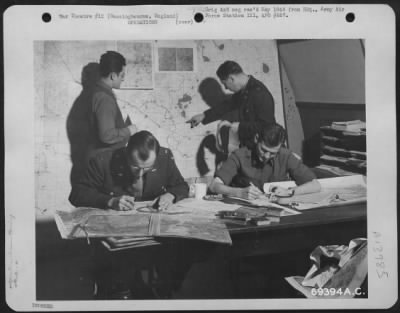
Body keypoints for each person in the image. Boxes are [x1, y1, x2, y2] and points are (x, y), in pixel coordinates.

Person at [69, 131, 189, 299]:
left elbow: (181, 186)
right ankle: (124, 290)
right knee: (119, 271)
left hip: (152, 231)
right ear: (126, 153)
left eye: (147, 168)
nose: (140, 174)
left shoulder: (165, 157)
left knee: (180, 250)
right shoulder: (103, 161)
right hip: (116, 237)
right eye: (135, 167)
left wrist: (171, 195)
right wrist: (110, 201)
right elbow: (77, 194)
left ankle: (160, 290)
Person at [209, 123, 321, 199]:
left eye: (273, 153)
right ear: (256, 139)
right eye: (263, 150)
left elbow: (315, 185)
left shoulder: (285, 155)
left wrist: (290, 191)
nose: (267, 156)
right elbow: (214, 186)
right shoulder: (240, 155)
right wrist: (239, 192)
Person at [187, 60, 276, 148]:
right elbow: (227, 106)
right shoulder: (244, 91)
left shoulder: (260, 94)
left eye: (225, 84)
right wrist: (204, 116)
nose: (225, 88)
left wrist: (239, 127)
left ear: (231, 79)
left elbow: (268, 127)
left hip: (264, 150)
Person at [85, 51, 137, 160]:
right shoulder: (104, 98)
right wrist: (129, 130)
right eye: (122, 75)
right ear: (113, 76)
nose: (123, 79)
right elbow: (106, 135)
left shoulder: (97, 92)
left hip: (99, 157)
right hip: (104, 160)